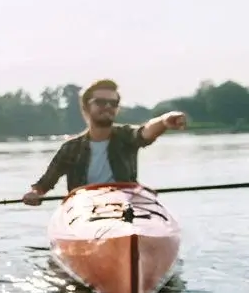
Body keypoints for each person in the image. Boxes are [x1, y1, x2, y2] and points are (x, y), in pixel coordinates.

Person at [22, 79, 188, 205]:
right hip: (84, 208)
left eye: (113, 103)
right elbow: (44, 184)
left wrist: (165, 121)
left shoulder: (126, 136)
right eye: (100, 102)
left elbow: (145, 132)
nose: (108, 106)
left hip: (125, 205)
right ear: (86, 107)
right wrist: (35, 194)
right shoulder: (71, 148)